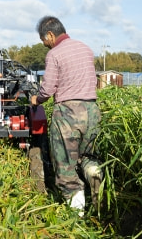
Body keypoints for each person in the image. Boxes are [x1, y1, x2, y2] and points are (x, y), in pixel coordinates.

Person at [30, 15, 103, 215]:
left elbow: (48, 89)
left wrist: (36, 99)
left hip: (68, 113)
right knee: (88, 157)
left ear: (51, 34)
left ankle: (76, 220)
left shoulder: (54, 54)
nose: (45, 44)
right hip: (92, 111)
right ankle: (94, 176)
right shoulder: (85, 48)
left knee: (65, 167)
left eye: (44, 40)